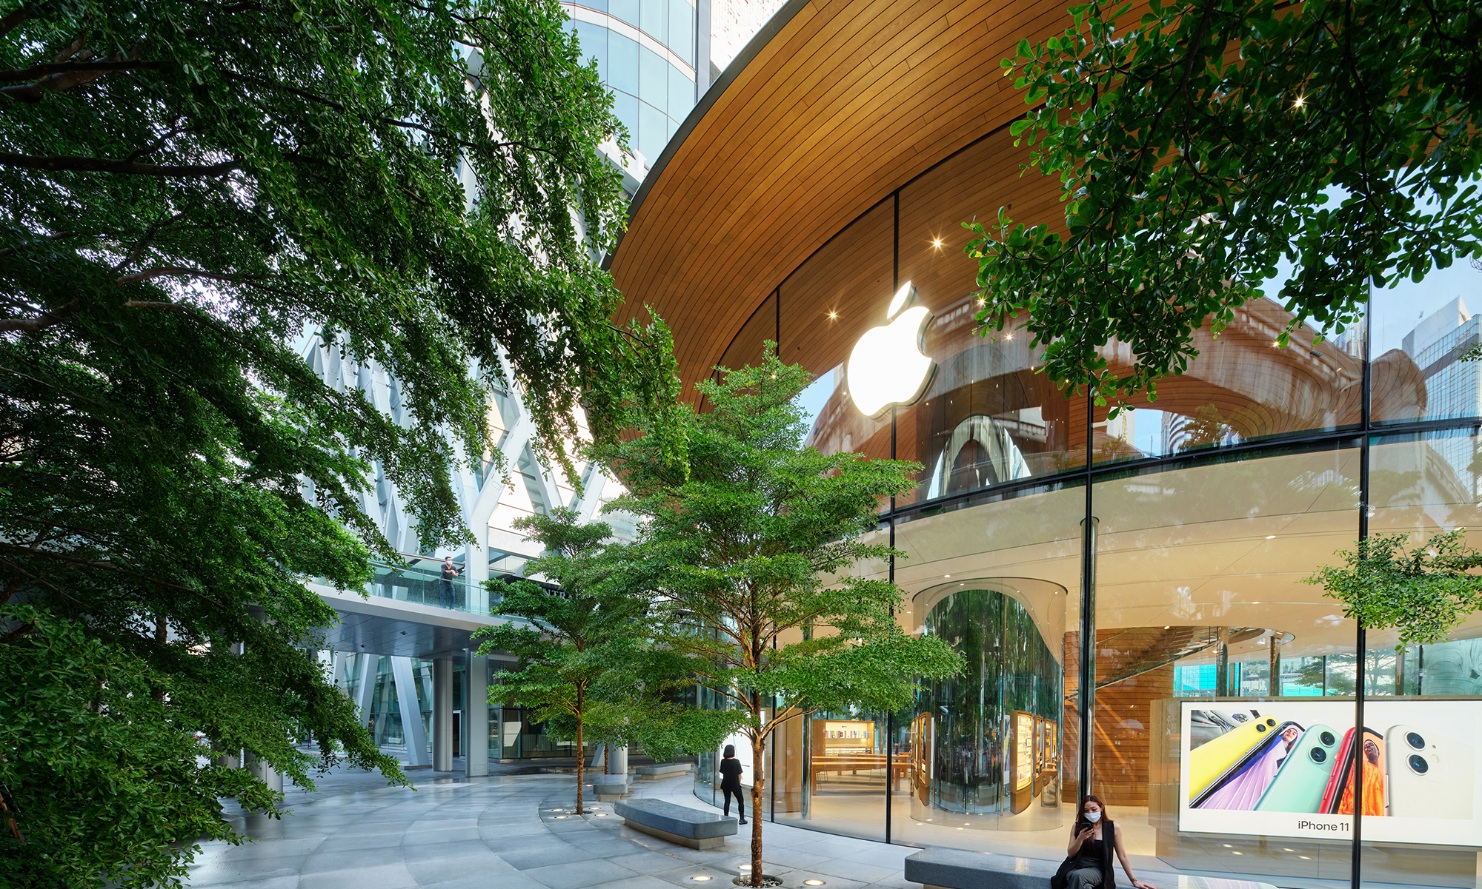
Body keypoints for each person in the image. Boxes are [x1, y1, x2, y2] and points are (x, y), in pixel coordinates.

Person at [1052, 796, 1153, 889]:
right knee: (1083, 883)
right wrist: (1080, 838)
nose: (1090, 813)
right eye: (1086, 811)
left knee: (1078, 876)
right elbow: (1070, 853)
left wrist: (1134, 880)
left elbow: (1122, 855)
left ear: (1101, 807)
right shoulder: (1077, 827)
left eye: (1094, 809)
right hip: (1076, 865)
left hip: (1097, 868)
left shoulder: (1113, 828)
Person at [719, 744, 746, 824]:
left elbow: (722, 771)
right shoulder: (736, 762)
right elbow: (739, 774)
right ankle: (741, 819)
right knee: (740, 800)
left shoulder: (723, 761)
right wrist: (739, 783)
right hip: (735, 784)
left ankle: (726, 817)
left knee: (727, 801)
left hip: (725, 783)